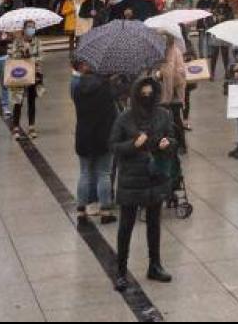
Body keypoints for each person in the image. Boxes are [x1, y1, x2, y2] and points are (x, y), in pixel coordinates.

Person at [109, 76, 176, 291]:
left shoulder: (164, 115)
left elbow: (174, 140)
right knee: (126, 226)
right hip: (131, 179)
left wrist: (168, 144)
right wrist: (132, 144)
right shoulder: (125, 118)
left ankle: (154, 265)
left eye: (151, 94)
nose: (147, 97)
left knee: (154, 224)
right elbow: (113, 146)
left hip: (155, 177)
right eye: (143, 94)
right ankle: (120, 271)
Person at [72, 61, 117, 225]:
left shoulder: (77, 88)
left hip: (83, 136)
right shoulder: (106, 88)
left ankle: (81, 211)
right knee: (104, 173)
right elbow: (113, 113)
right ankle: (105, 211)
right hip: (103, 136)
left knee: (84, 173)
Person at [9, 21, 43, 140]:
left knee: (31, 101)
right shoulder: (17, 42)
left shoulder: (37, 41)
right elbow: (12, 56)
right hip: (20, 74)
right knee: (18, 101)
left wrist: (30, 55)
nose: (31, 29)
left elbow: (40, 57)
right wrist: (22, 52)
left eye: (33, 27)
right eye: (29, 27)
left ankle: (31, 127)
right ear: (24, 29)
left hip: (33, 74)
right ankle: (15, 127)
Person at [156, 33, 188, 155]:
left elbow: (174, 72)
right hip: (166, 90)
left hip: (174, 91)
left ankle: (181, 145)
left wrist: (162, 73)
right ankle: (170, 143)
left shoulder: (173, 52)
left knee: (175, 119)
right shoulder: (164, 52)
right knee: (167, 119)